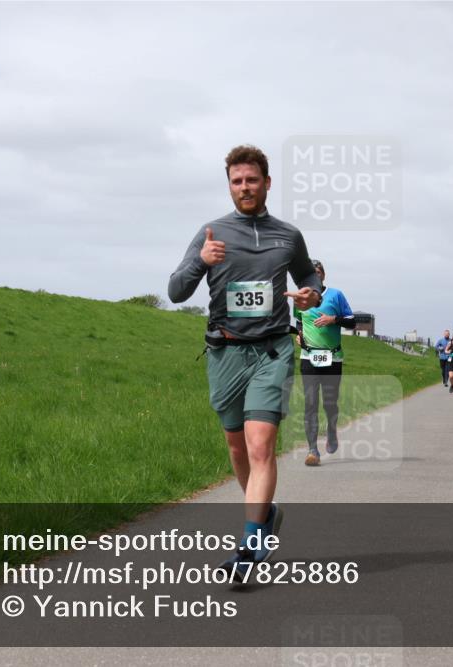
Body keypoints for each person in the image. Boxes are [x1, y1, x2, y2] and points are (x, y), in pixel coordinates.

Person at [168, 144, 322, 574]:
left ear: (267, 183)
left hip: (272, 349)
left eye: (252, 180)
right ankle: (266, 515)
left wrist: (313, 294)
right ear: (230, 186)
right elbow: (176, 290)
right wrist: (201, 263)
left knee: (260, 445)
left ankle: (251, 546)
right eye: (237, 181)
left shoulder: (287, 235)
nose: (245, 187)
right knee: (237, 448)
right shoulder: (211, 233)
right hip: (225, 353)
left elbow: (308, 277)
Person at [294, 259, 355, 467]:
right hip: (308, 357)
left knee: (329, 403)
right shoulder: (300, 296)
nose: (315, 275)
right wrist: (299, 335)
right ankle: (312, 450)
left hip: (333, 357)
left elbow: (352, 321)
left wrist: (333, 319)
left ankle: (331, 429)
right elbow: (299, 321)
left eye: (318, 271)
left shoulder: (336, 295)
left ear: (323, 275)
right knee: (310, 404)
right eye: (311, 272)